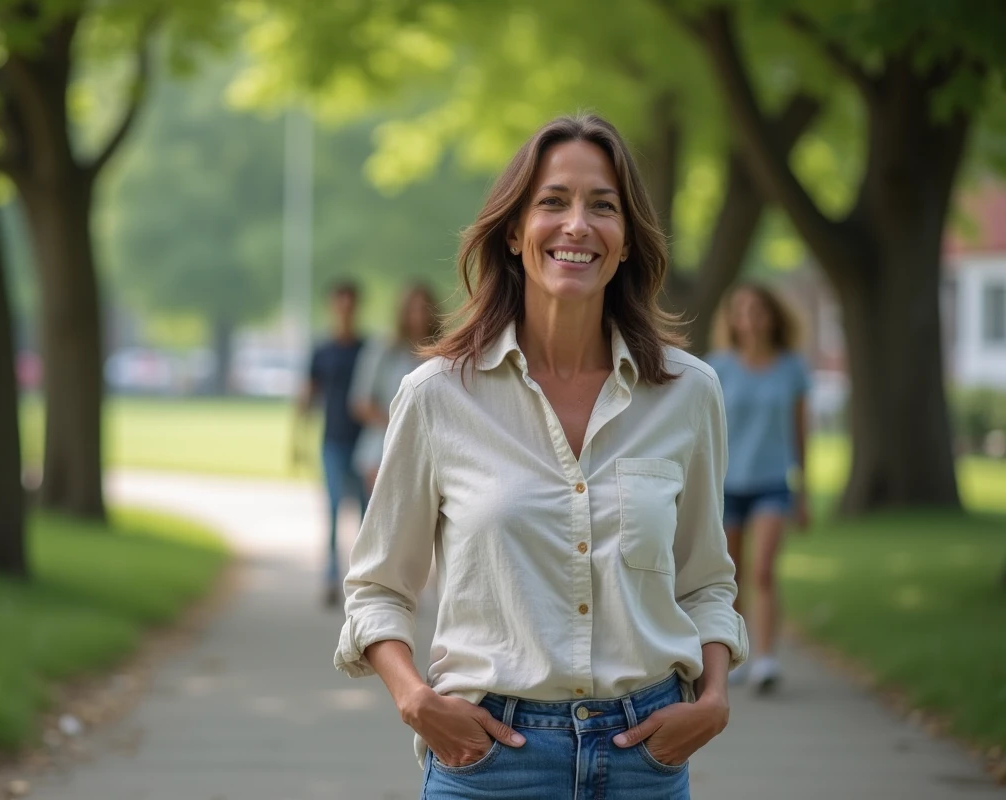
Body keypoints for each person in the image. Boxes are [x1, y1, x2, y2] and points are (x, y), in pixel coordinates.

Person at [334, 114, 747, 799]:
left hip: (646, 759)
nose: (577, 225)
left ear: (625, 244)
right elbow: (378, 587)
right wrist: (415, 700)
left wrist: (713, 700)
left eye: (603, 206)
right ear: (513, 234)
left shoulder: (689, 394)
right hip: (489, 761)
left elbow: (704, 579)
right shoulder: (437, 397)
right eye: (553, 202)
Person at [707, 283, 810, 695]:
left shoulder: (792, 368)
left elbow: (802, 432)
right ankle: (737, 655)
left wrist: (803, 490)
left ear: (773, 316)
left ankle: (766, 659)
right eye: (742, 310)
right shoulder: (716, 368)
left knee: (764, 571)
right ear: (732, 319)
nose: (750, 318)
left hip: (772, 483)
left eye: (758, 310)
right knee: (730, 576)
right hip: (726, 485)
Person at [296, 280, 367, 608]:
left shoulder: (368, 349)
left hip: (365, 442)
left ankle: (367, 580)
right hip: (333, 440)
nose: (344, 310)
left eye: (349, 304)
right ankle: (329, 577)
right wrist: (297, 437)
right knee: (335, 509)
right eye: (339, 303)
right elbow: (308, 394)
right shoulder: (322, 350)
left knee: (368, 515)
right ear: (332, 306)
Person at [349, 284, 442, 494]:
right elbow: (361, 402)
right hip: (384, 443)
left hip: (430, 448)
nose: (418, 317)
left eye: (424, 309)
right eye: (413, 309)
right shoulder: (383, 350)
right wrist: (400, 424)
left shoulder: (443, 353)